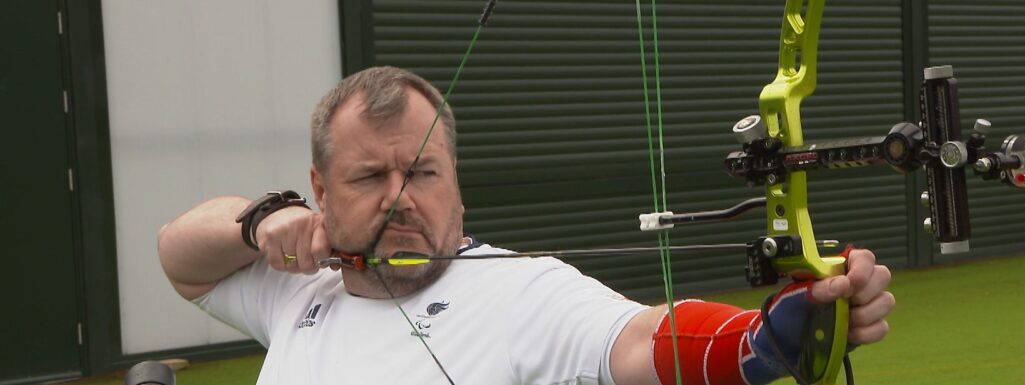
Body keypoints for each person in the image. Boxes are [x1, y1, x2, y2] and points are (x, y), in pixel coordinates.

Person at [158, 66, 895, 385]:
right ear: (320, 190)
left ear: (455, 180)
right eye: (367, 177)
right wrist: (261, 220)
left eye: (421, 172)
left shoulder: (523, 292)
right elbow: (179, 256)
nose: (399, 197)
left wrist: (762, 339)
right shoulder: (299, 290)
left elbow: (638, 341)